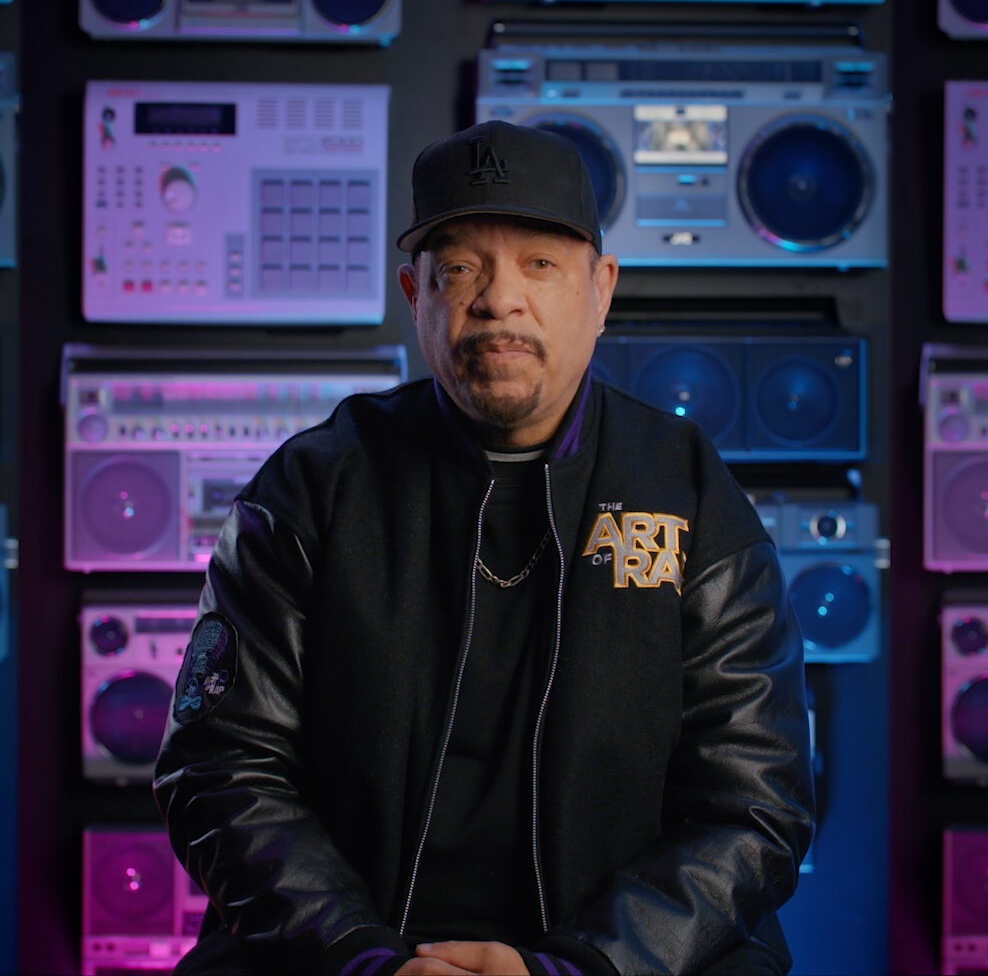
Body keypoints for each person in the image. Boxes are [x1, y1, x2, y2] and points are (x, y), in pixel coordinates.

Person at [153, 119, 815, 976]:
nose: (500, 298)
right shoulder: (312, 489)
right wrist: (364, 960)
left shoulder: (687, 493)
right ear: (413, 293)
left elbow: (755, 809)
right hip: (339, 950)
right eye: (460, 268)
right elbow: (221, 767)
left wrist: (574, 969)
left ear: (602, 288)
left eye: (540, 263)